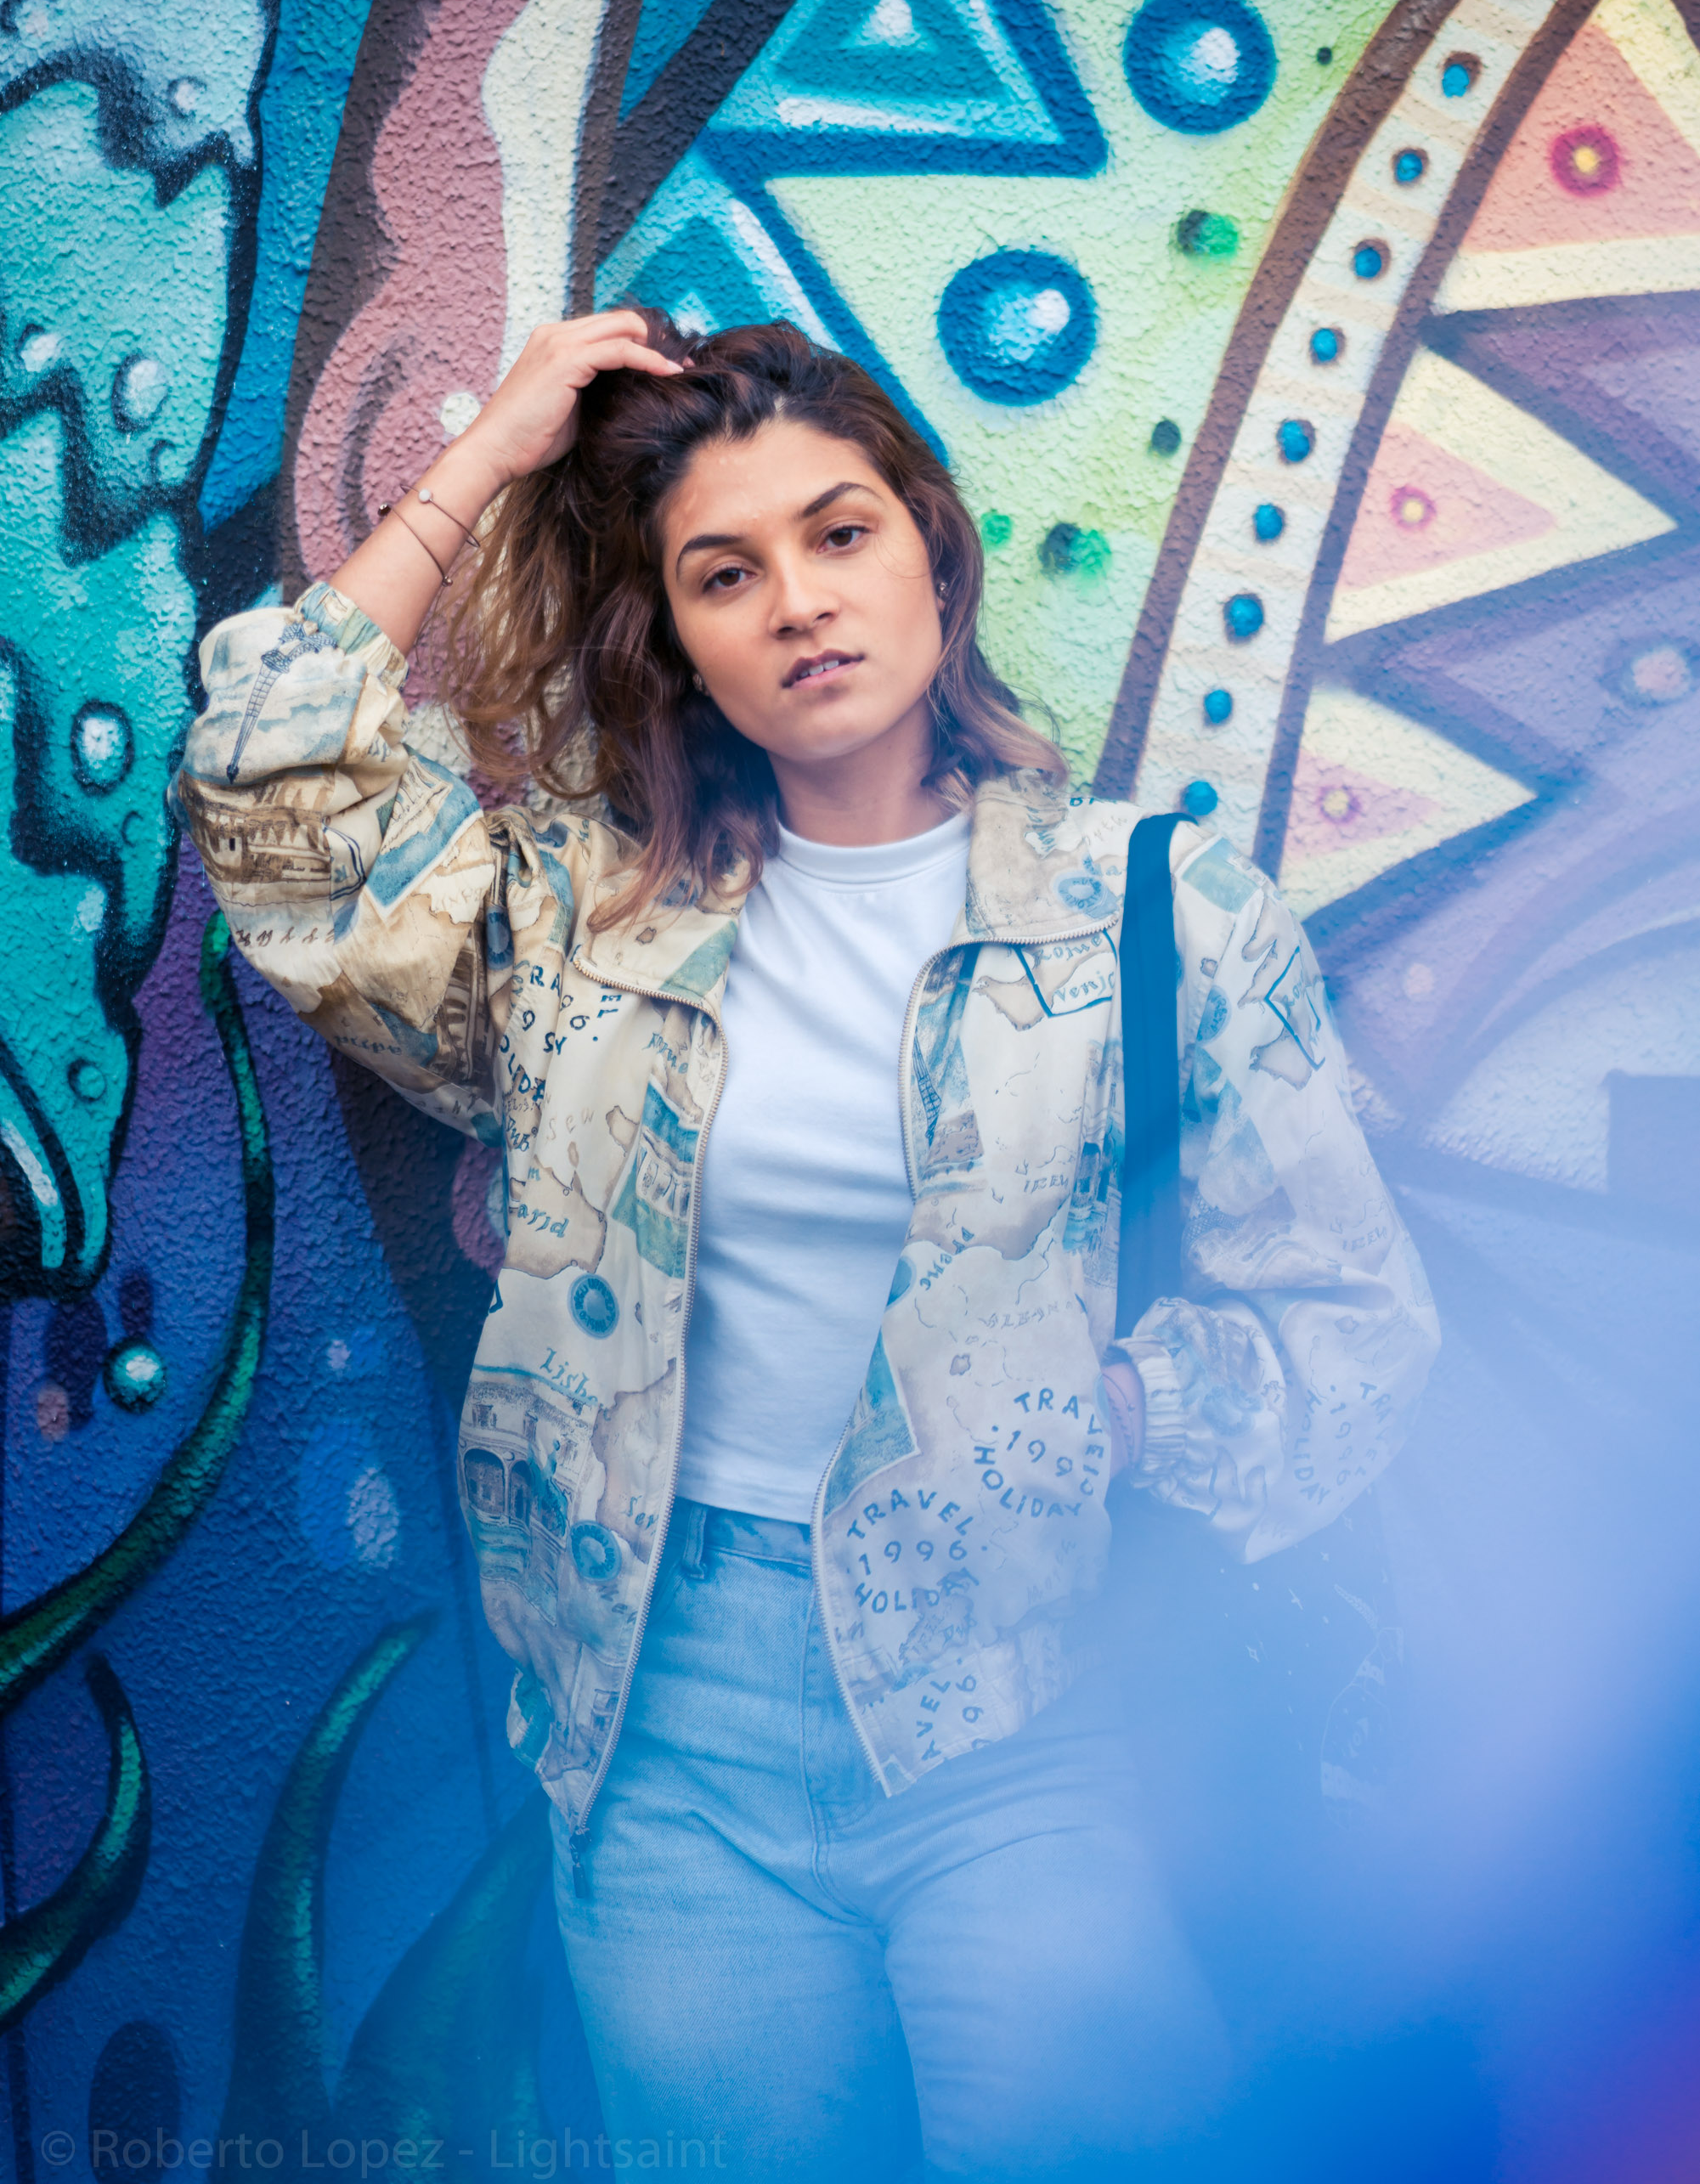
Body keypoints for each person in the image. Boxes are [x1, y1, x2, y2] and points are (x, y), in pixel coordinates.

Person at [178, 309, 1439, 2181]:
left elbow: (1347, 1321)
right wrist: (493, 454)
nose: (798, 602)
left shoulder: (1150, 911)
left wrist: (1113, 1407)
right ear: (675, 640)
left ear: (930, 551)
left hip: (1026, 1713)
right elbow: (273, 794)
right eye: (723, 572)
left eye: (839, 534)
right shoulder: (581, 921)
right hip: (664, 1732)